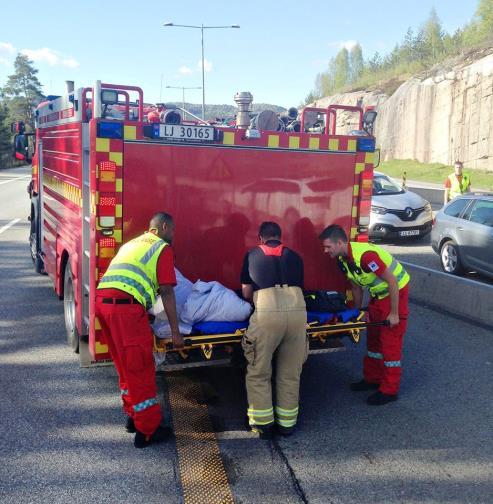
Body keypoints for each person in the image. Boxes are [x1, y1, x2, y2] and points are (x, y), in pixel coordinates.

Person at [95, 212, 183, 448]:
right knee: (140, 367)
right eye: (173, 230)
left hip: (103, 304)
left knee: (124, 366)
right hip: (126, 311)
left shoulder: (132, 244)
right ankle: (147, 431)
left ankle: (133, 416)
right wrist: (175, 333)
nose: (173, 235)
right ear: (163, 227)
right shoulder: (161, 248)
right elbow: (167, 291)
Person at [319, 224, 410, 406]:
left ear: (339, 243)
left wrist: (394, 313)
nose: (325, 250)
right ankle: (373, 379)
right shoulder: (343, 260)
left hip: (395, 295)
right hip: (378, 296)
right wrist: (358, 312)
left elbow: (392, 282)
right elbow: (355, 286)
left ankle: (389, 390)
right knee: (374, 341)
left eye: (328, 246)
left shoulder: (367, 257)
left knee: (390, 343)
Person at [240, 221, 307, 438]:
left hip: (268, 314)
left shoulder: (251, 255)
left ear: (260, 238)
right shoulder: (295, 257)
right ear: (280, 236)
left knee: (259, 372)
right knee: (290, 373)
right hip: (298, 313)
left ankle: (263, 425)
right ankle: (287, 425)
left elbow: (246, 293)